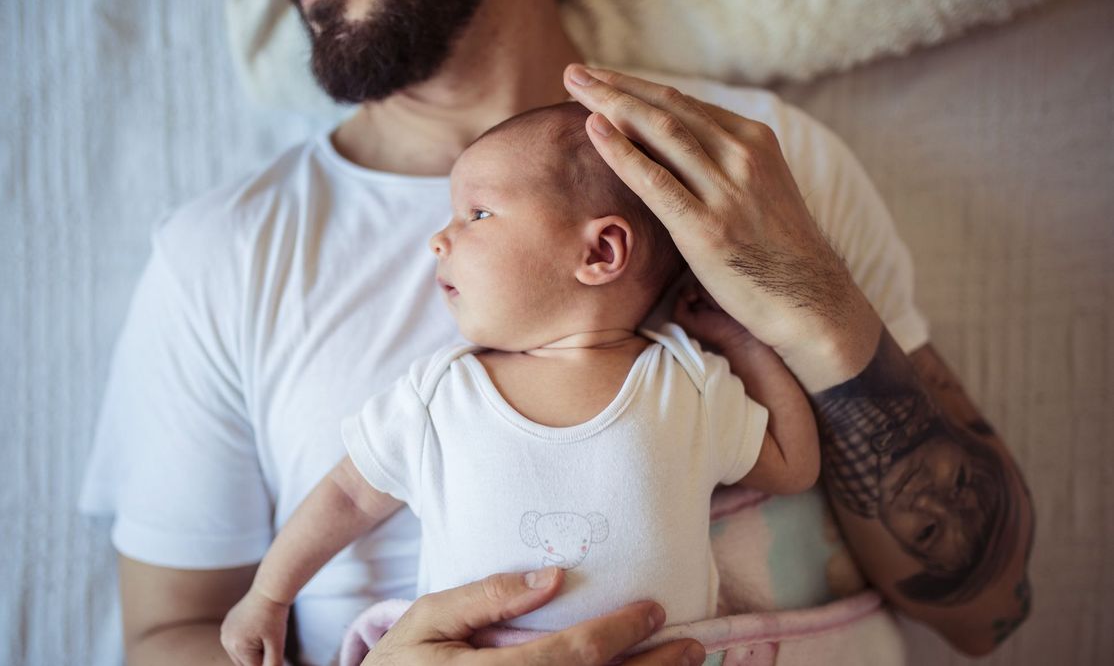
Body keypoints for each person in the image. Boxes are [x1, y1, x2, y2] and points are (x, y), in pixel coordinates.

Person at [78, 0, 1035, 664]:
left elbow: (985, 610)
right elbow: (169, 632)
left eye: (480, 215)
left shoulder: (757, 165)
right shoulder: (226, 255)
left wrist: (814, 313)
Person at [217, 101, 821, 666]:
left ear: (602, 250)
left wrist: (743, 342)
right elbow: (349, 497)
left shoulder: (686, 382)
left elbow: (793, 466)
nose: (438, 240)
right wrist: (269, 595)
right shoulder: (439, 395)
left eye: (477, 214)